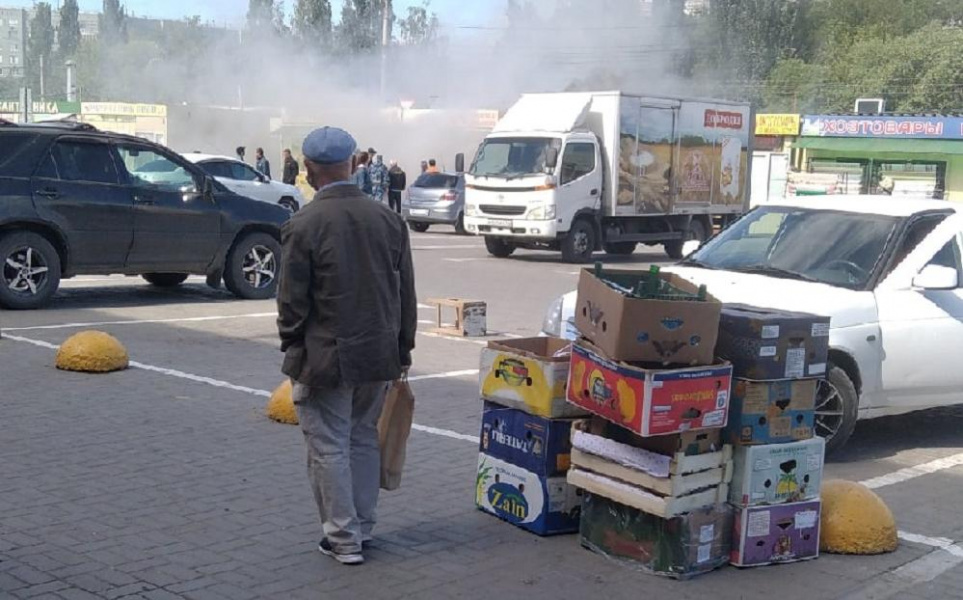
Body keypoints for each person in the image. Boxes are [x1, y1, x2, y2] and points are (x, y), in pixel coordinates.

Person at [277, 126, 417, 566]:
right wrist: (403, 349)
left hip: (327, 356)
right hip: (379, 354)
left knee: (330, 446)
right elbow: (405, 294)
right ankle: (363, 528)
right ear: (355, 164)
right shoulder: (388, 219)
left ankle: (343, 538)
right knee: (361, 440)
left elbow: (292, 303)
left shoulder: (304, 224)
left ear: (308, 170)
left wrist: (292, 346)